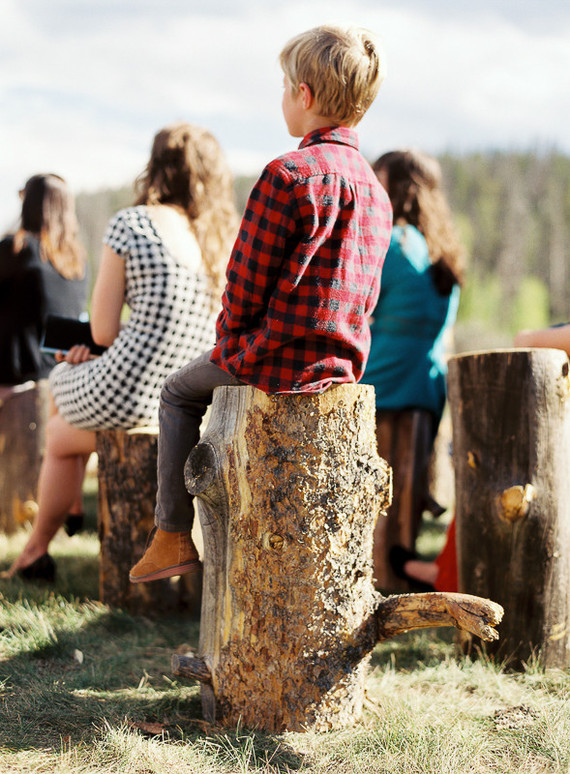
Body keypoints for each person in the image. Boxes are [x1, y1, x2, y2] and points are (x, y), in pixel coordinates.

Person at [129, 24, 393, 584]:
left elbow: (244, 286)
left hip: (274, 360)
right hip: (341, 365)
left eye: (283, 86)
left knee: (177, 393)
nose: (281, 98)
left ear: (304, 95)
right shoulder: (376, 190)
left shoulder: (286, 174)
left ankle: (172, 535)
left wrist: (231, 346)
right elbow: (367, 295)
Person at [4, 122, 239, 581]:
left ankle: (35, 551)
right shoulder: (219, 240)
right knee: (62, 423)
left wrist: (89, 350)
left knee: (56, 427)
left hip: (128, 391)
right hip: (187, 398)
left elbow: (104, 331)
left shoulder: (133, 223)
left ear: (156, 168)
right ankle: (63, 523)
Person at [363, 149, 465, 590]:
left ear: (394, 186)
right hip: (426, 390)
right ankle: (398, 582)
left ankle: (372, 581)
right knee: (405, 493)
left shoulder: (386, 243)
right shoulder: (445, 253)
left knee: (371, 495)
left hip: (380, 386)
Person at [0, 174, 87, 392]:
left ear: (29, 204)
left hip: (12, 386)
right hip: (59, 383)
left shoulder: (17, 250)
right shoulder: (79, 263)